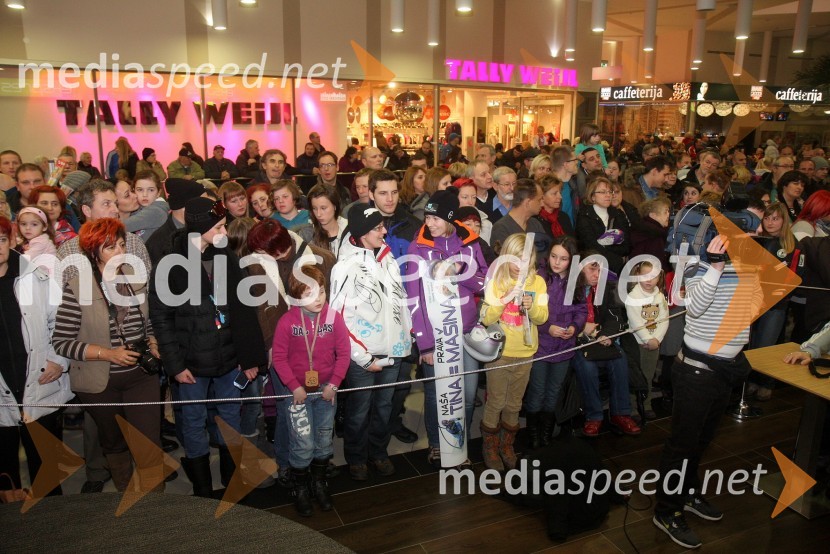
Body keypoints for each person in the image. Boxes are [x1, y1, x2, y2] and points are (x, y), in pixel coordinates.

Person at [149, 197, 267, 497]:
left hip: (228, 359)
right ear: (199, 228)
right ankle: (202, 486)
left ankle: (230, 477)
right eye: (219, 227)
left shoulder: (226, 257)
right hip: (190, 363)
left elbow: (244, 311)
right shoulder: (170, 264)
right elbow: (161, 319)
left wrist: (249, 357)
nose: (225, 232)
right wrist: (175, 365)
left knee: (230, 417)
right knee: (192, 421)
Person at [653, 236, 759, 550]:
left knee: (701, 441)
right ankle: (666, 511)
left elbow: (751, 310)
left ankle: (686, 493)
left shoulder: (748, 266)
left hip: (725, 369)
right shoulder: (697, 264)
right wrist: (715, 267)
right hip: (696, 372)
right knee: (682, 444)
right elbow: (695, 308)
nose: (753, 233)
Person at [53, 218, 163, 492]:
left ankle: (158, 506)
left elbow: (146, 321)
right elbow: (62, 342)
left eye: (122, 245)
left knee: (149, 444)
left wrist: (152, 340)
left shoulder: (135, 278)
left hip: (141, 377)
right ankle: (126, 496)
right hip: (99, 383)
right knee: (114, 442)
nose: (120, 251)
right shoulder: (78, 286)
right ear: (93, 252)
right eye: (110, 247)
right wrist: (108, 354)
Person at [405, 190, 488, 468]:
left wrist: (459, 271)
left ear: (450, 218)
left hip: (466, 331)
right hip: (437, 335)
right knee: (436, 394)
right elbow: (414, 298)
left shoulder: (470, 242)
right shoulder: (417, 247)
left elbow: (484, 283)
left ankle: (458, 445)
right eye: (427, 217)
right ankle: (437, 444)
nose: (429, 223)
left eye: (436, 218)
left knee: (467, 394)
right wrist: (425, 344)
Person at [330, 204, 412, 481]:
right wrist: (363, 358)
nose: (384, 231)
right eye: (378, 228)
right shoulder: (344, 267)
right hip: (363, 355)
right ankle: (356, 458)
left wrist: (407, 337)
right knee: (359, 410)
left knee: (384, 407)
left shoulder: (388, 258)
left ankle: (378, 452)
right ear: (363, 233)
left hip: (393, 351)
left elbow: (400, 300)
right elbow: (338, 318)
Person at [0, 216, 72, 497]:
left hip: (40, 384)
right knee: (5, 475)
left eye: (2, 239)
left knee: (47, 471)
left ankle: (51, 520)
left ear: (12, 240)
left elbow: (62, 321)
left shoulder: (36, 277)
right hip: (2, 393)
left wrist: (58, 360)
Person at [272, 265, 349, 517]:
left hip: (326, 391)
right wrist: (294, 386)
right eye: (310, 294)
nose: (318, 298)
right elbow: (279, 358)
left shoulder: (333, 318)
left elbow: (344, 354)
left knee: (324, 440)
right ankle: (301, 488)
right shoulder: (287, 322)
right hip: (298, 394)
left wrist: (334, 383)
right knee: (302, 443)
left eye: (322, 291)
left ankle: (319, 483)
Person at [479, 233, 548, 470]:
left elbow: (542, 317)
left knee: (514, 404)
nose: (520, 266)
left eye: (525, 259)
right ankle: (490, 447)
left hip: (526, 353)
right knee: (496, 401)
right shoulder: (496, 282)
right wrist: (503, 299)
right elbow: (486, 319)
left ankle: (506, 445)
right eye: (514, 259)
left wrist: (532, 307)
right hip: (499, 354)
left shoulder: (538, 283)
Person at [526, 236, 586, 448]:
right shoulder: (539, 278)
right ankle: (533, 436)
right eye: (553, 256)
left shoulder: (576, 280)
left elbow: (581, 310)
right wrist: (547, 327)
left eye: (563, 258)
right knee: (537, 391)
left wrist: (575, 327)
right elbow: (530, 312)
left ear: (572, 260)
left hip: (564, 347)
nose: (557, 262)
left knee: (553, 392)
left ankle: (546, 435)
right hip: (541, 346)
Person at [573, 259, 641, 437]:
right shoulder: (569, 289)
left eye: (599, 271)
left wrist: (607, 335)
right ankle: (594, 416)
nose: (596, 275)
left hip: (602, 338)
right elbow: (563, 318)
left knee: (620, 359)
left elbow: (615, 317)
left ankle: (621, 414)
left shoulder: (605, 289)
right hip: (578, 342)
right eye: (592, 270)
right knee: (587, 367)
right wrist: (581, 327)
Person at [746, 202, 802, 401]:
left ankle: (766, 383)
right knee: (751, 345)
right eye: (767, 218)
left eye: (775, 218)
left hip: (776, 304)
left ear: (784, 220)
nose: (770, 222)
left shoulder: (792, 245)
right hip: (753, 301)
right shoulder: (759, 240)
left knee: (766, 345)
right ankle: (750, 382)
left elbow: (795, 276)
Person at [625, 260, 669, 420]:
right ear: (638, 275)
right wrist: (647, 339)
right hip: (637, 344)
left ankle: (647, 404)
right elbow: (635, 322)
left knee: (648, 376)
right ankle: (632, 407)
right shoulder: (633, 296)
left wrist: (657, 339)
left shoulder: (660, 296)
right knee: (634, 376)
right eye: (645, 276)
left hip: (653, 344)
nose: (649, 280)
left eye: (653, 276)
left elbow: (664, 319)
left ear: (659, 277)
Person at [576, 176, 630, 276]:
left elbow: (626, 246)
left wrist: (605, 247)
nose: (608, 195)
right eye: (603, 192)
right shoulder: (584, 216)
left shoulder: (618, 214)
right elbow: (589, 246)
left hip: (618, 268)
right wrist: (614, 258)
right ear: (592, 196)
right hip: (593, 268)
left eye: (610, 192)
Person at [145, 178, 205, 266]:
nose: (207, 209)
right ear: (185, 207)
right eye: (202, 203)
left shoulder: (204, 231)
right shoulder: (159, 243)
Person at [490, 179, 549, 256]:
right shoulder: (501, 228)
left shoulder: (535, 224)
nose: (542, 204)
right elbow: (505, 260)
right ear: (528, 202)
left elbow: (545, 255)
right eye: (539, 200)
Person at [123, 171, 169, 241]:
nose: (145, 194)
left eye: (151, 190)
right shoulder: (139, 208)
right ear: (134, 191)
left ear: (158, 193)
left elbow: (122, 227)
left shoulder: (155, 211)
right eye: (140, 190)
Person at [305, 184, 348, 256]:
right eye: (314, 208)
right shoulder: (307, 235)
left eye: (323, 208)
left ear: (335, 206)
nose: (318, 214)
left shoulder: (349, 231)